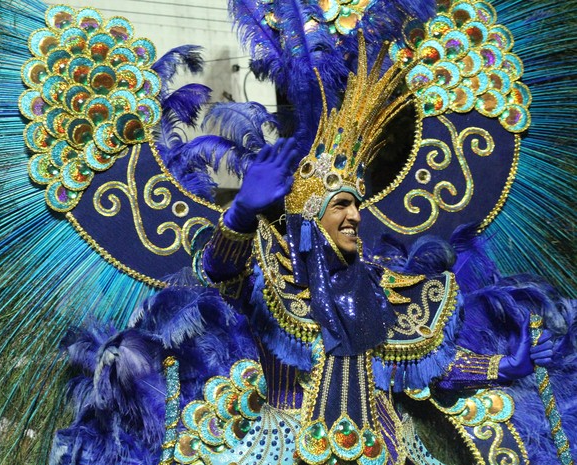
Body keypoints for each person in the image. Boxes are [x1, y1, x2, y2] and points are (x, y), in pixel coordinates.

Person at [181, 48, 554, 465]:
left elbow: (424, 362)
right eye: (341, 204)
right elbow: (220, 269)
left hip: (385, 451)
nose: (355, 216)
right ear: (311, 214)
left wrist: (502, 367)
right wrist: (243, 211)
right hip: (287, 448)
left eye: (357, 205)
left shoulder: (381, 287)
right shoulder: (273, 269)